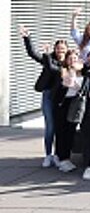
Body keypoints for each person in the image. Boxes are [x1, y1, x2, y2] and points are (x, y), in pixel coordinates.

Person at [20, 26, 67, 168]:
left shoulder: (68, 62)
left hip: (62, 98)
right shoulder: (48, 59)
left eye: (63, 49)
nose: (61, 51)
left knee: (60, 128)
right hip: (48, 96)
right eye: (58, 49)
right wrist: (27, 38)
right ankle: (48, 155)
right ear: (55, 49)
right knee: (50, 127)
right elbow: (33, 54)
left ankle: (59, 155)